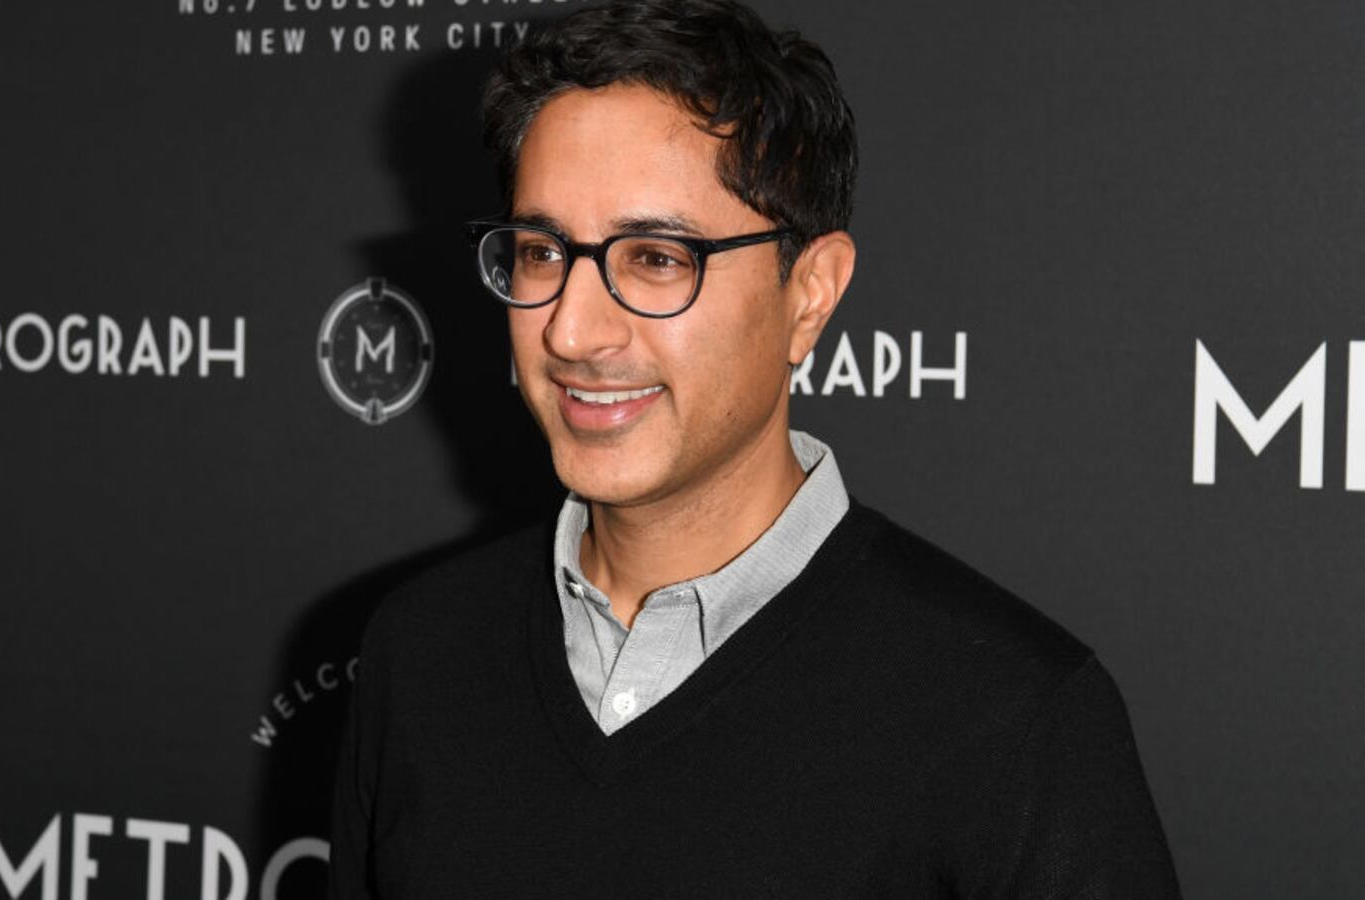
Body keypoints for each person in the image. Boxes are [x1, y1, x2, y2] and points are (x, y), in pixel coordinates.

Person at [329, 1, 1181, 896]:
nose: (571, 330)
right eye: (543, 251)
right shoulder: (421, 650)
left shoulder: (1016, 718)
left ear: (810, 294)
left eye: (656, 257)